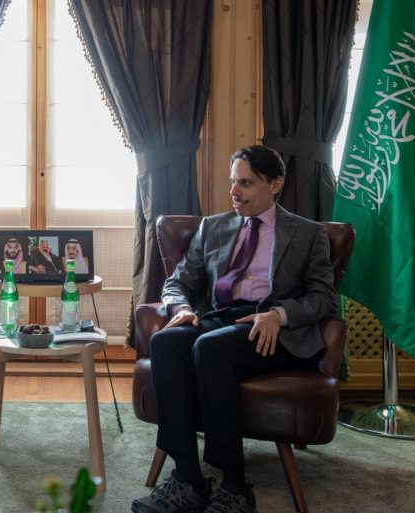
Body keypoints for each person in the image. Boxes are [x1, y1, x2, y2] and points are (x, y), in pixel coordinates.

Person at [132, 145, 337, 513]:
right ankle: (188, 480)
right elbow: (178, 281)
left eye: (246, 183)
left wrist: (279, 314)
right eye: (232, 182)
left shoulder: (308, 233)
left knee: (210, 348)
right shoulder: (213, 227)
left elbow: (324, 298)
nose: (234, 191)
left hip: (271, 329)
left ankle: (236, 488)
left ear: (275, 184)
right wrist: (181, 308)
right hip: (220, 317)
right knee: (165, 342)